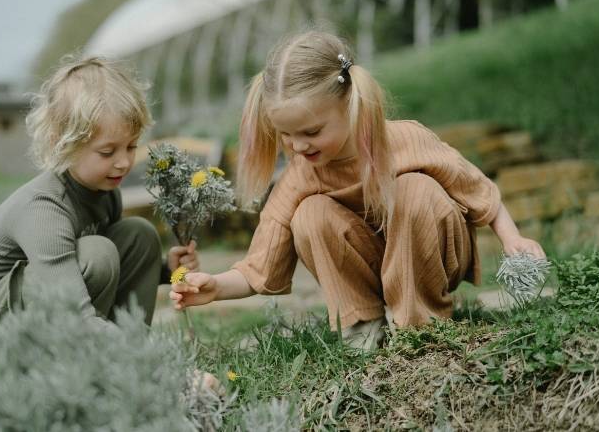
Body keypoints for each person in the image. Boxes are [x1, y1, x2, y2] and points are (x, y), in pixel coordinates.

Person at [170, 30, 545, 350]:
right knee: (309, 215)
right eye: (286, 135)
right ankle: (363, 328)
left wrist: (512, 240)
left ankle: (421, 327)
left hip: (432, 254)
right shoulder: (300, 176)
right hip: (370, 267)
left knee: (413, 188)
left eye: (312, 132)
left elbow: (477, 190)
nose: (298, 146)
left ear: (349, 103)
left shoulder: (404, 140)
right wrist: (215, 286)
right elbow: (259, 266)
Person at [0, 55, 198, 351]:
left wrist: (167, 270)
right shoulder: (44, 209)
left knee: (140, 235)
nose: (123, 163)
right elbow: (74, 309)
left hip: (50, 292)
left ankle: (121, 360)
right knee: (99, 254)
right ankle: (92, 365)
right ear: (63, 143)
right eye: (107, 152)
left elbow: (120, 268)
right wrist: (159, 367)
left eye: (131, 147)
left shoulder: (105, 191)